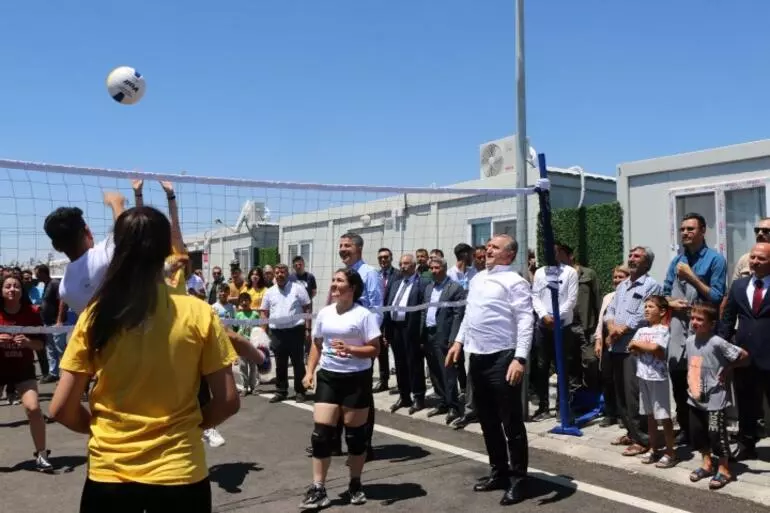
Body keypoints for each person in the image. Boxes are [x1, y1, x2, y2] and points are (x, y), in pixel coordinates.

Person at [49, 206, 240, 513]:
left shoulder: (95, 315)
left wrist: (101, 430)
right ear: (167, 250)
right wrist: (189, 427)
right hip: (180, 471)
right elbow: (228, 400)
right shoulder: (199, 313)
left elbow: (60, 408)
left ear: (117, 250)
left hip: (110, 472)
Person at [445, 234, 533, 506]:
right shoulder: (477, 278)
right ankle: (499, 472)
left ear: (509, 254)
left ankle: (518, 480)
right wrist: (459, 341)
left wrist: (520, 358)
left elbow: (526, 320)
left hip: (504, 358)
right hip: (478, 358)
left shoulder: (515, 282)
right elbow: (470, 315)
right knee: (487, 421)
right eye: (488, 246)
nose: (488, 250)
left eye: (495, 247)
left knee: (511, 422)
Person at [300, 268, 381, 509]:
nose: (334, 285)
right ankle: (318, 489)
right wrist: (309, 371)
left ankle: (355, 483)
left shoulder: (364, 315)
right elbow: (317, 344)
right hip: (329, 377)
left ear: (352, 287)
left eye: (339, 281)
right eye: (333, 280)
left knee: (356, 439)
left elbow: (375, 348)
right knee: (321, 436)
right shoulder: (325, 313)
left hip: (356, 379)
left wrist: (351, 349)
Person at [685, 302, 747, 490]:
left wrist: (728, 368)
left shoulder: (717, 342)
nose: (695, 322)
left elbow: (743, 355)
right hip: (694, 397)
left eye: (700, 319)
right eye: (693, 318)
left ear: (711, 324)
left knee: (716, 434)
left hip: (715, 399)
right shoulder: (689, 341)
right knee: (698, 433)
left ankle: (724, 468)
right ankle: (707, 464)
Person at [0, 274, 53, 472]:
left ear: (22, 291)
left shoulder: (31, 312)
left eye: (16, 286)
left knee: (33, 409)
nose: (12, 289)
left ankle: (41, 454)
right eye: (8, 286)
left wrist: (28, 342)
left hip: (23, 368)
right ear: (2, 290)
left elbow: (40, 344)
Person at [627, 296, 677, 468]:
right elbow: (631, 348)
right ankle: (654, 447)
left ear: (662, 311)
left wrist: (638, 345)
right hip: (643, 376)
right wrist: (639, 345)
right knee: (649, 415)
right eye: (645, 306)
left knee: (663, 415)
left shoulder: (663, 330)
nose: (647, 309)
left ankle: (670, 452)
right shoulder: (642, 331)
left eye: (651, 306)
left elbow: (656, 348)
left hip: (658, 377)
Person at [235, 291, 260, 395]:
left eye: (246, 300)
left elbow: (258, 328)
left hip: (252, 344)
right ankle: (245, 387)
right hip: (241, 345)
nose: (244, 302)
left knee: (253, 367)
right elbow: (235, 328)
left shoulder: (255, 314)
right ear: (240, 303)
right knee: (243, 367)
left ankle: (253, 387)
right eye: (242, 301)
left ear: (250, 301)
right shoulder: (238, 315)